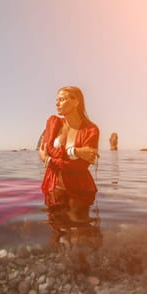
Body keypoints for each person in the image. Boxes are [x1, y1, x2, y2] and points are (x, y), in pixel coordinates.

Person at [38, 86, 99, 223]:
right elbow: (42, 152)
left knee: (79, 229)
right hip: (52, 187)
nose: (57, 103)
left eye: (62, 99)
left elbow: (82, 165)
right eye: (56, 100)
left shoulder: (91, 130)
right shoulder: (53, 122)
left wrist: (51, 158)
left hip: (80, 190)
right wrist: (75, 152)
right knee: (55, 229)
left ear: (76, 102)